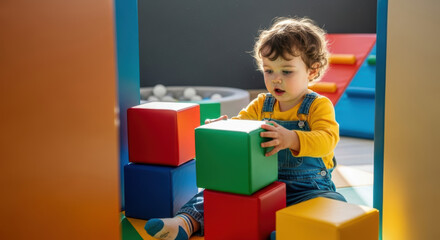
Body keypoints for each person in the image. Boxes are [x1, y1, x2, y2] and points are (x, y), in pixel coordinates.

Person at [144, 17, 346, 240]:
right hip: (263, 184)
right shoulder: (261, 104)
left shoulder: (317, 105)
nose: (276, 79)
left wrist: (292, 139)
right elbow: (240, 125)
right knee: (213, 194)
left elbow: (328, 139)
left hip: (309, 188)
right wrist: (222, 128)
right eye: (269, 71)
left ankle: (294, 231)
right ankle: (183, 223)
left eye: (286, 72)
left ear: (312, 71)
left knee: (332, 204)